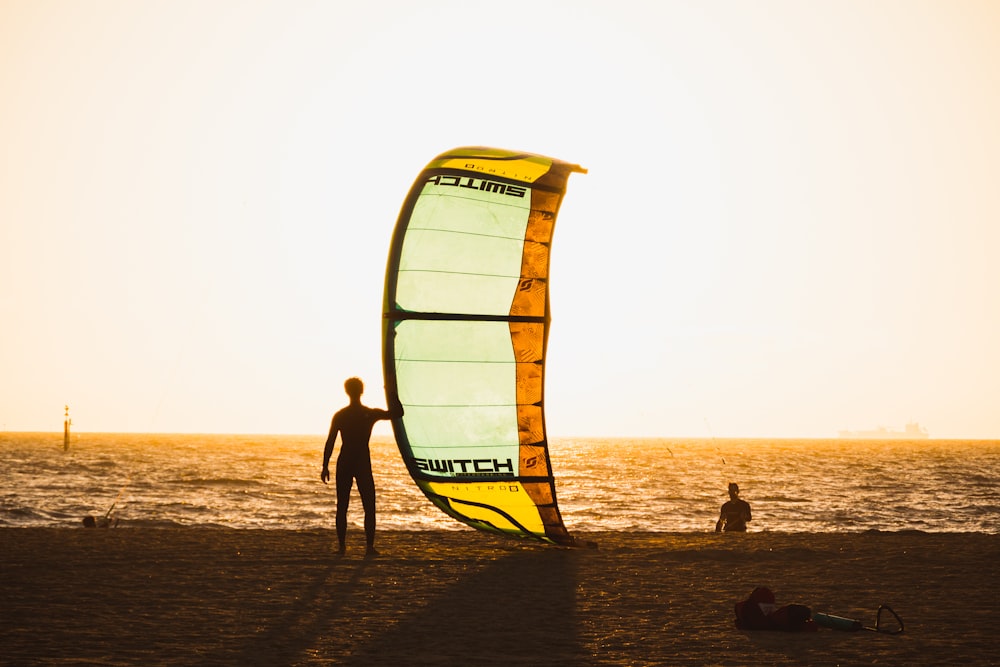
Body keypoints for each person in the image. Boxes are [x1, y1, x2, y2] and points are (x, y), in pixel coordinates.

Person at [321, 377, 402, 555]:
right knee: (369, 506)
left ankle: (342, 547)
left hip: (345, 461)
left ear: (346, 391)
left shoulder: (340, 415)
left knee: (342, 506)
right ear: (362, 391)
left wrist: (325, 466)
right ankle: (369, 547)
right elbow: (397, 413)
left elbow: (330, 442)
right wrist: (390, 391)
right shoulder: (370, 413)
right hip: (362, 462)